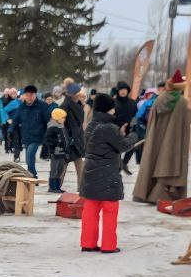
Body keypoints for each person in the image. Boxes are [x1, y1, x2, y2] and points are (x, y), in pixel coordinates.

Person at [79, 93, 139, 254]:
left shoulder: (91, 125)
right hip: (107, 174)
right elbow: (124, 145)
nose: (114, 111)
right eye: (113, 108)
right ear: (108, 109)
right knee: (110, 210)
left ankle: (88, 243)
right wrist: (134, 134)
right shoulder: (108, 128)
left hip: (90, 172)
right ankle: (108, 245)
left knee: (90, 209)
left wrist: (119, 133)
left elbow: (103, 143)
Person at [132, 72, 189, 204]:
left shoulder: (159, 99)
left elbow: (152, 120)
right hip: (174, 140)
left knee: (153, 160)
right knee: (170, 162)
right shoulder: (182, 102)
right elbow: (184, 125)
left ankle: (146, 193)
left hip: (156, 137)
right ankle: (165, 194)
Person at [10, 85, 51, 177]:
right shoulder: (21, 107)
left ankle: (32, 176)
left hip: (38, 136)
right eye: (27, 95)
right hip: (26, 136)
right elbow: (15, 120)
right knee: (28, 158)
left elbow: (48, 121)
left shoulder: (42, 106)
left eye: (31, 95)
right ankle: (31, 176)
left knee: (30, 154)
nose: (29, 97)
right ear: (24, 95)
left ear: (35, 95)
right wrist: (10, 130)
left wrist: (48, 134)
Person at [62, 83, 86, 191]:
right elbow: (61, 123)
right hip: (69, 139)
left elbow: (79, 123)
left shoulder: (78, 104)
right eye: (77, 92)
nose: (79, 94)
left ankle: (81, 187)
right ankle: (56, 186)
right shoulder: (66, 105)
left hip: (77, 138)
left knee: (79, 164)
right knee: (63, 164)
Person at [42, 108, 70, 194]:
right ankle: (52, 187)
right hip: (55, 152)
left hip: (62, 152)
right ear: (57, 118)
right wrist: (56, 143)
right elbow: (47, 139)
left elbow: (65, 138)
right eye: (62, 118)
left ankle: (57, 187)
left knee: (60, 169)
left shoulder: (62, 127)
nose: (64, 119)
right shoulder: (52, 128)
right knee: (54, 169)